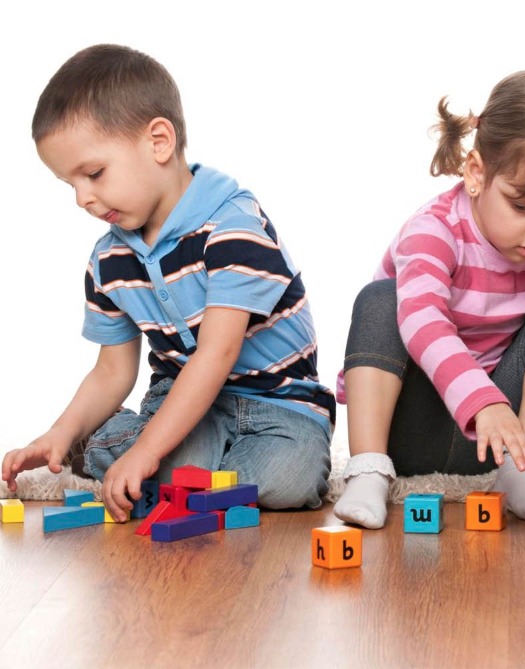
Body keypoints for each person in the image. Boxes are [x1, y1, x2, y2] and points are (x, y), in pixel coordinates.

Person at [2, 44, 334, 520]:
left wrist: (146, 452)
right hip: (181, 399)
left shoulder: (233, 227)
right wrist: (61, 431)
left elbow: (217, 354)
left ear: (159, 141)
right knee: (175, 472)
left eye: (93, 174)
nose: (82, 199)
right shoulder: (108, 260)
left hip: (279, 404)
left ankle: (132, 451)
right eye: (70, 184)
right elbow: (112, 371)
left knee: (286, 481)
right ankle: (98, 442)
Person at [334, 70, 525, 528]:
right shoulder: (433, 232)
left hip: (502, 439)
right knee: (381, 300)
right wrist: (481, 401)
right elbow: (424, 324)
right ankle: (368, 471)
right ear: (476, 173)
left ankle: (523, 471)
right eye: (522, 206)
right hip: (412, 427)